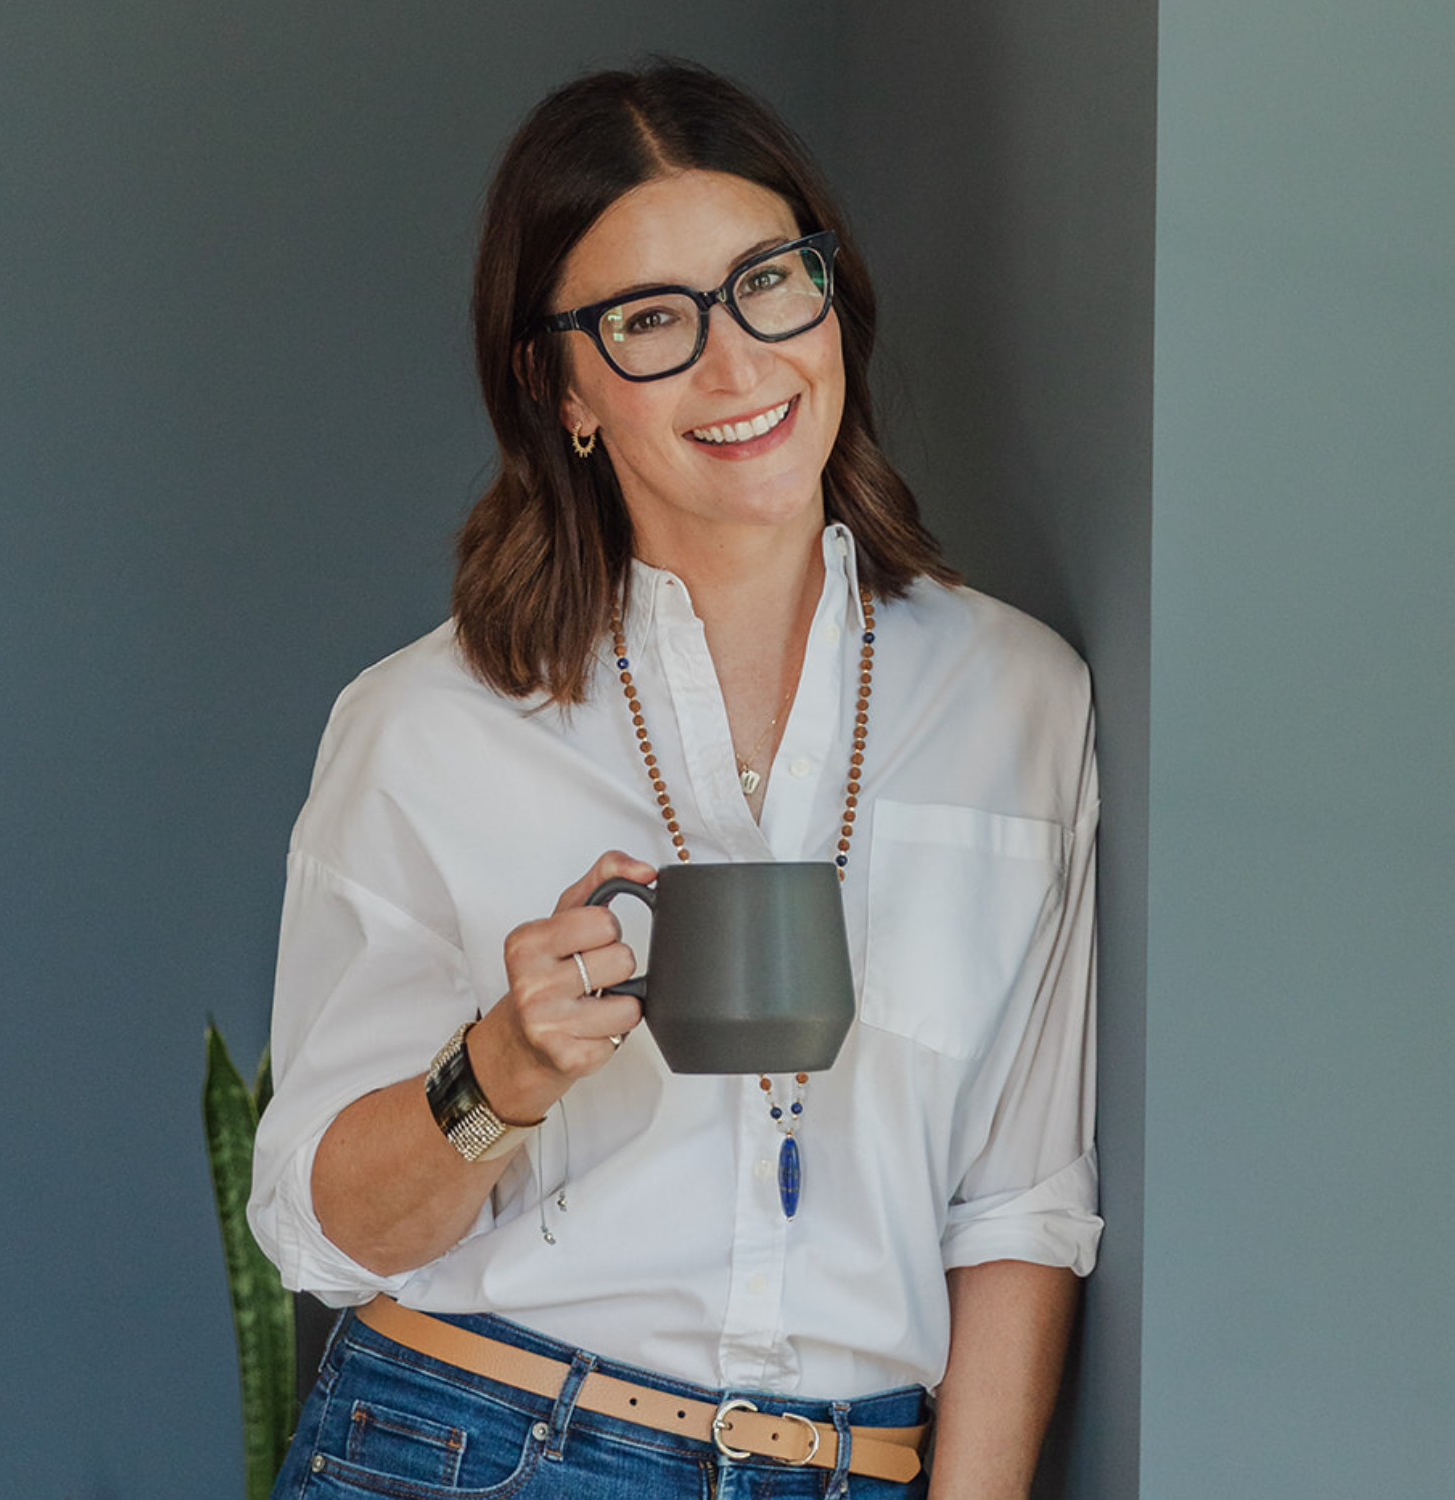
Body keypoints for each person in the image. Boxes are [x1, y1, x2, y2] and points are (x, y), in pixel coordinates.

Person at [250, 59, 1101, 1500]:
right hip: (477, 1447)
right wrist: (500, 1073)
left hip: (850, 1466)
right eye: (652, 320)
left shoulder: (1016, 699)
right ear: (559, 386)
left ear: (833, 299)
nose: (739, 365)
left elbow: (1018, 1205)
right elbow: (320, 1231)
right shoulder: (427, 725)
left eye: (769, 283)